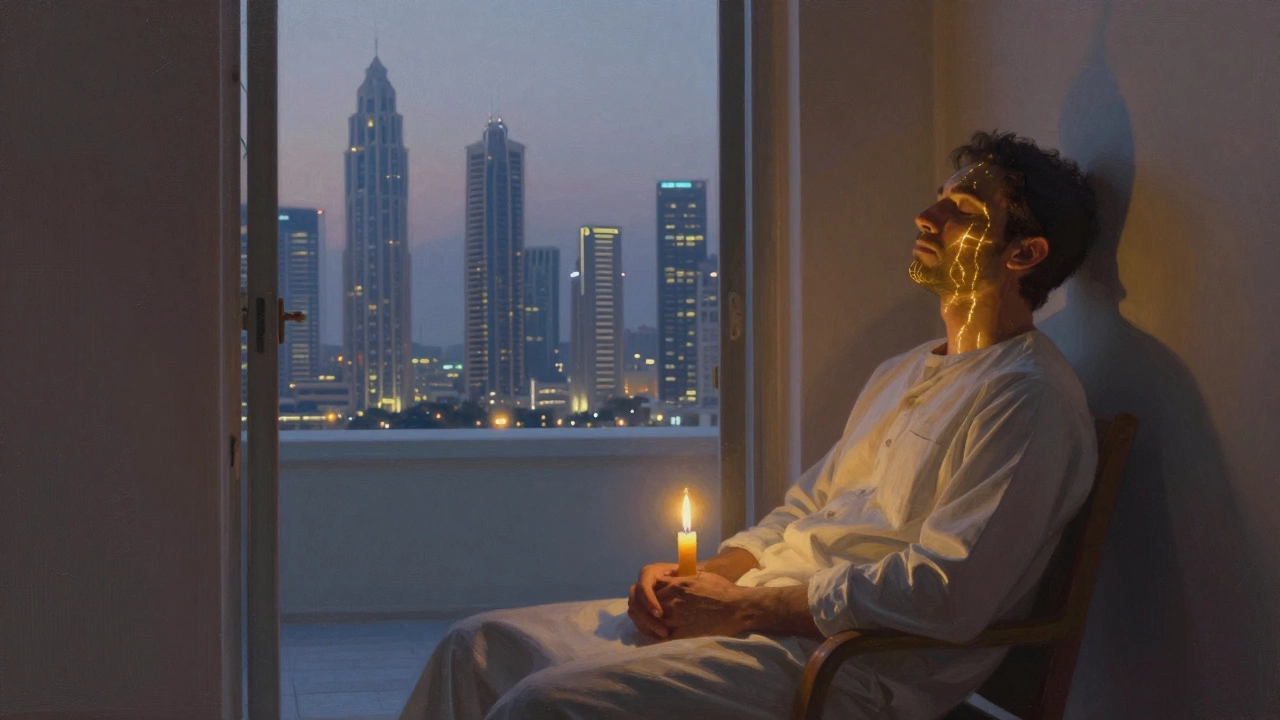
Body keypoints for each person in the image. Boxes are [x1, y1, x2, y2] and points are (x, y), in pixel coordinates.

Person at [399, 130, 1100, 720]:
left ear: (1023, 254)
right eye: (938, 198)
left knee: (540, 707)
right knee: (476, 648)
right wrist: (705, 575)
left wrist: (745, 610)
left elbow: (946, 593)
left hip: (850, 664)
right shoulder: (907, 371)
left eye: (961, 208)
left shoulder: (1028, 400)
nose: (925, 215)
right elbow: (805, 509)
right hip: (763, 612)